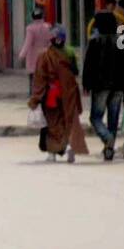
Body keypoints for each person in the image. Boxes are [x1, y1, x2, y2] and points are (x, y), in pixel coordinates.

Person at [29, 25, 88, 163]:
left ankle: (53, 153)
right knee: (67, 122)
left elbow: (40, 78)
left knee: (53, 124)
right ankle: (68, 147)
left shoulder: (45, 55)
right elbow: (75, 71)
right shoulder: (70, 52)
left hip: (52, 94)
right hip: (69, 93)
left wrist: (35, 99)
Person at [82, 10, 124, 161]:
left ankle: (107, 138)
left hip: (100, 86)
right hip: (118, 87)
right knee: (113, 119)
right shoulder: (122, 40)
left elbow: (88, 65)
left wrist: (86, 84)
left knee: (95, 117)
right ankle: (109, 150)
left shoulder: (95, 40)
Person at [17, 8, 54, 96]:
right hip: (45, 55)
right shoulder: (48, 27)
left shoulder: (30, 29)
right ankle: (46, 93)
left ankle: (33, 94)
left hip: (33, 56)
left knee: (33, 77)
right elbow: (51, 41)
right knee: (45, 76)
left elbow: (28, 43)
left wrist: (22, 55)